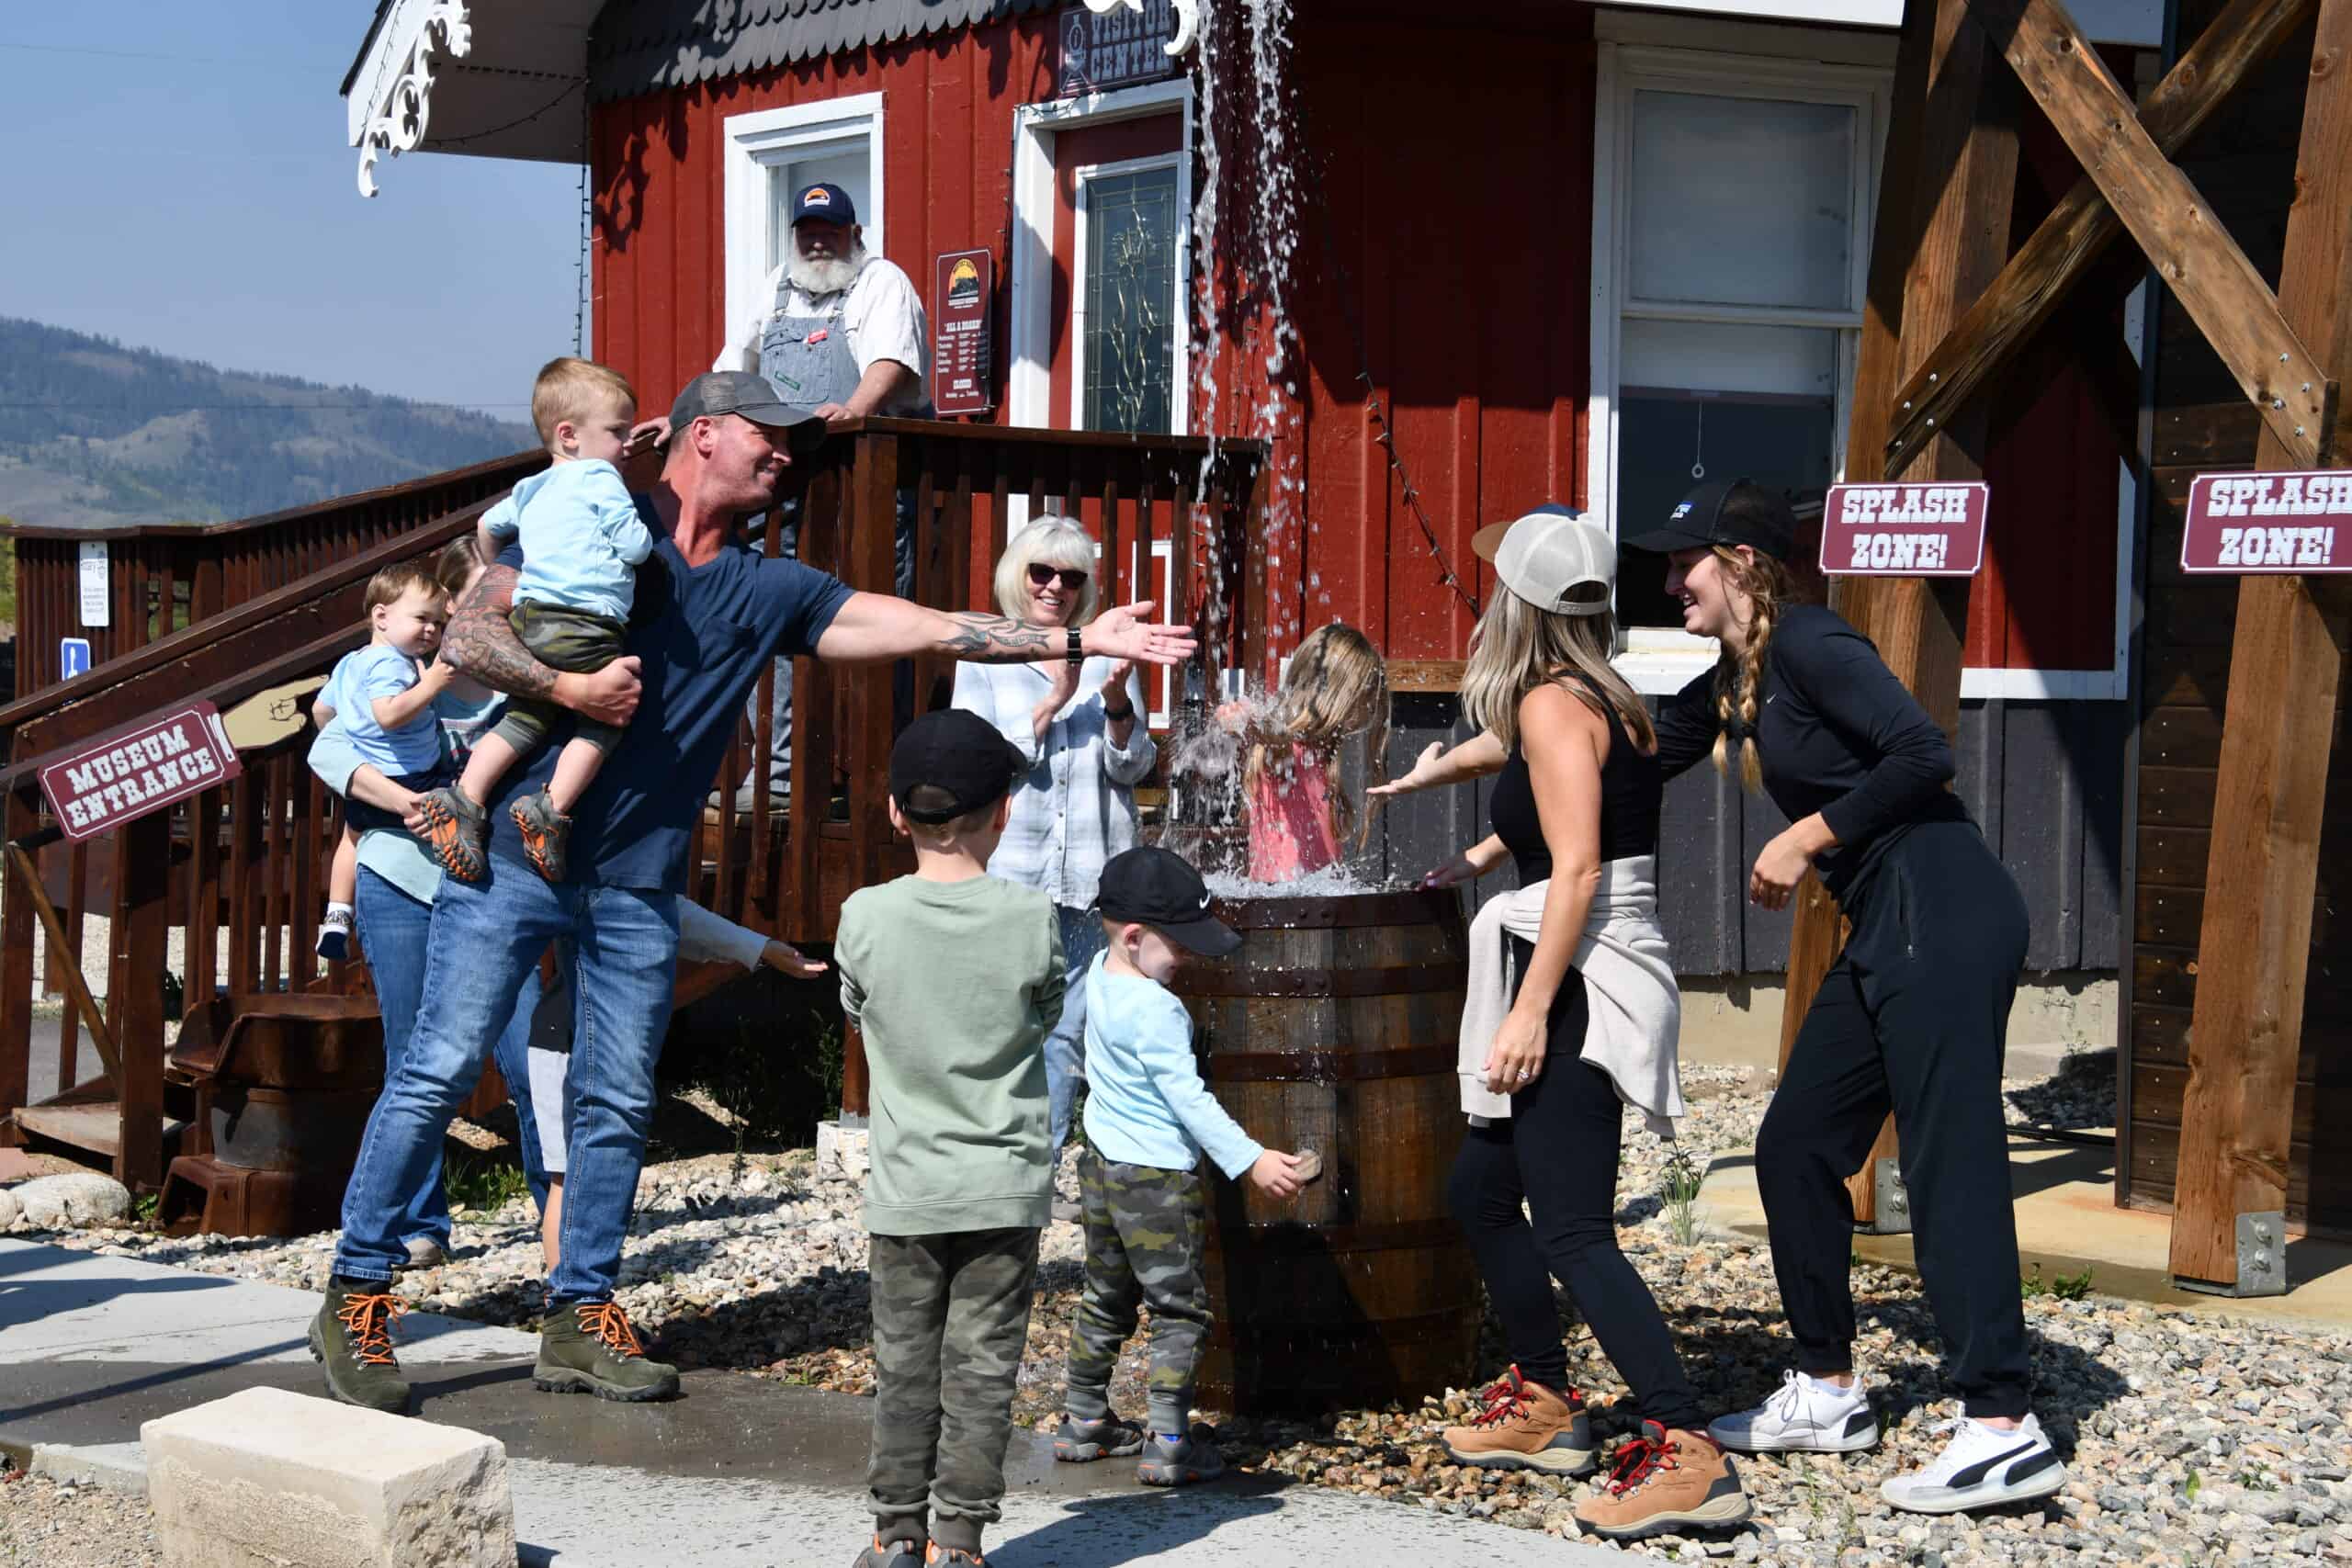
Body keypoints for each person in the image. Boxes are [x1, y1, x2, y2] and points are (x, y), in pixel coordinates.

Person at [307, 369, 1195, 1419]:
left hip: (637, 881)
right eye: (767, 436)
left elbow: (920, 625)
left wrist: (1077, 640)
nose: (784, 454)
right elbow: (471, 633)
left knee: (614, 1101)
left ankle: (579, 1310)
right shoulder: (601, 515)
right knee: (440, 1066)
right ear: (703, 434)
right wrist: (569, 690)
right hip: (514, 855)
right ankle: (358, 1291)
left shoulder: (769, 588)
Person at [1620, 478, 2063, 1514]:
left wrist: (1803, 833)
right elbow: (1619, 750)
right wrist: (1495, 760)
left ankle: (2002, 1423)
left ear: (1738, 565)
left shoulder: (1812, 641)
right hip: (1889, 923)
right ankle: (1824, 1390)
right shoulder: (1738, 678)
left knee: (1948, 1155)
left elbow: (1923, 753)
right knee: (1796, 1146)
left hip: (1942, 904)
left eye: (1683, 563)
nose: (1668, 580)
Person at [1373, 508, 1750, 1541]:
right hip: (1569, 941)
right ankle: (1543, 1401)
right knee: (1480, 1192)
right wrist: (1441, 790)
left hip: (1577, 969)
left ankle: (1686, 1448)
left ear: (1518, 604)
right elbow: (1534, 780)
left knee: (1576, 1227)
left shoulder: (1552, 704)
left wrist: (1532, 1013)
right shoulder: (1598, 693)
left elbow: (1579, 862)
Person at [832, 709, 1063, 1568]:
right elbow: (1043, 1017)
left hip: (907, 1188)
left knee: (904, 1368)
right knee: (982, 1370)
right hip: (1003, 1183)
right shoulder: (1031, 916)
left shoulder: (864, 915)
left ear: (896, 814)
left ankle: (897, 1535)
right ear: (1003, 810)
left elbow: (857, 1011)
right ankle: (960, 1542)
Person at [307, 537, 548, 1266]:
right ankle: (418, 1224)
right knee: (413, 1053)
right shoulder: (386, 671)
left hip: (498, 880)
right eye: (477, 600)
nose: (488, 616)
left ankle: (559, 1216)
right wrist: (403, 800)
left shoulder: (531, 681)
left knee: (533, 1049)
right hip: (399, 872)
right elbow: (328, 744)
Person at [1053, 845, 1309, 1489]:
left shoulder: (1099, 973)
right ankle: (1170, 1438)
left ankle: (1083, 1415)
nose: (1190, 957)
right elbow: (1188, 1100)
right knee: (1179, 1309)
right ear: (1136, 937)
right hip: (1157, 1181)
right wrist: (1250, 1158)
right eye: (1182, 944)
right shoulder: (1161, 1011)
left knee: (1106, 1295)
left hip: (1102, 1169)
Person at [951, 514, 1155, 1157]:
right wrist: (1054, 701)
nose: (1056, 587)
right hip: (1013, 868)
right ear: (1018, 575)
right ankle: (988, 1148)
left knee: (1068, 1025)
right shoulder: (985, 655)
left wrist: (1117, 705)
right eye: (1042, 571)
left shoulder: (1108, 657)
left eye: (1072, 577)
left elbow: (1132, 767)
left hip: (1094, 870)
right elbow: (975, 764)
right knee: (1002, 1018)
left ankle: (1042, 1158)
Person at [414, 358, 654, 885]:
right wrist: (644, 543)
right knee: (607, 717)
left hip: (533, 618)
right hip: (589, 625)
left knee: (527, 713)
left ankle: (465, 796)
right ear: (569, 435)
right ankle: (552, 806)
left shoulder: (532, 487)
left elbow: (487, 527)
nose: (626, 445)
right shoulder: (601, 477)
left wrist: (505, 570)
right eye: (616, 431)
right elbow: (634, 547)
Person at [526, 905, 827, 1273]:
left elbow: (687, 926)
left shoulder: (620, 893)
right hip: (565, 1040)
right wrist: (757, 949)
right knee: (569, 1178)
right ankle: (568, 1299)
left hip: (568, 1035)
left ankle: (574, 1295)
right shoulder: (623, 893)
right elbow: (683, 919)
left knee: (576, 1177)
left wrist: (756, 949)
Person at [312, 563, 458, 963]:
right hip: (411, 775)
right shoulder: (393, 664)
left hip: (372, 777)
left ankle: (338, 913)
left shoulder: (351, 662)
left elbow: (321, 711)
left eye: (438, 623)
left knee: (351, 838)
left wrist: (358, 745)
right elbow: (389, 715)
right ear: (381, 616)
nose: (431, 630)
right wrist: (429, 686)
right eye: (421, 619)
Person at [1224, 622, 1388, 881]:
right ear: (1341, 696)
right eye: (1367, 697)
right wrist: (1248, 719)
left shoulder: (1321, 751)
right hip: (1284, 905)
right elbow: (1271, 734)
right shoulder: (1289, 750)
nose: (1371, 707)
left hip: (1306, 903)